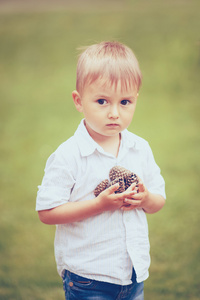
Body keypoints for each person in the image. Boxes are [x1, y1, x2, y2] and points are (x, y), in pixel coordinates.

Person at [36, 41, 166, 300]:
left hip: (133, 275)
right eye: (102, 101)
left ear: (136, 100)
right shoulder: (68, 155)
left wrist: (145, 198)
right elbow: (47, 212)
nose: (114, 113)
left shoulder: (140, 148)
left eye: (125, 102)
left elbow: (158, 201)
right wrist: (99, 205)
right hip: (88, 279)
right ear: (79, 101)